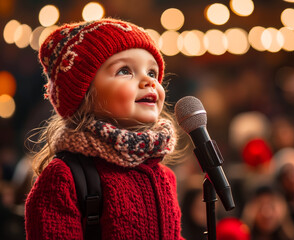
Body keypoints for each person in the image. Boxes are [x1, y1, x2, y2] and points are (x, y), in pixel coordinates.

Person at [25, 18, 184, 239]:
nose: (149, 82)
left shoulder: (163, 176)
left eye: (152, 73)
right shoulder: (63, 177)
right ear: (85, 94)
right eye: (125, 71)